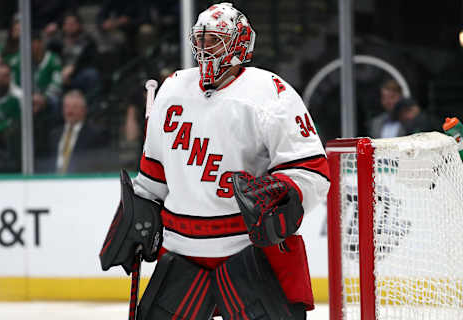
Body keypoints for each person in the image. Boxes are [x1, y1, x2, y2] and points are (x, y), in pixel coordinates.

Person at [106, 3, 330, 319]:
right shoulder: (172, 90)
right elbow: (154, 174)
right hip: (182, 252)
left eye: (215, 39)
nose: (204, 47)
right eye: (201, 39)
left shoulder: (271, 92)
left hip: (247, 251)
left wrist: (283, 194)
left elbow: (312, 171)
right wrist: (138, 214)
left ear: (239, 42)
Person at [45, 90, 107, 174]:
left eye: (74, 107)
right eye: (66, 107)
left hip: (80, 182)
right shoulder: (54, 134)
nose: (69, 111)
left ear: (84, 110)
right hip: (54, 182)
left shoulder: (95, 134)